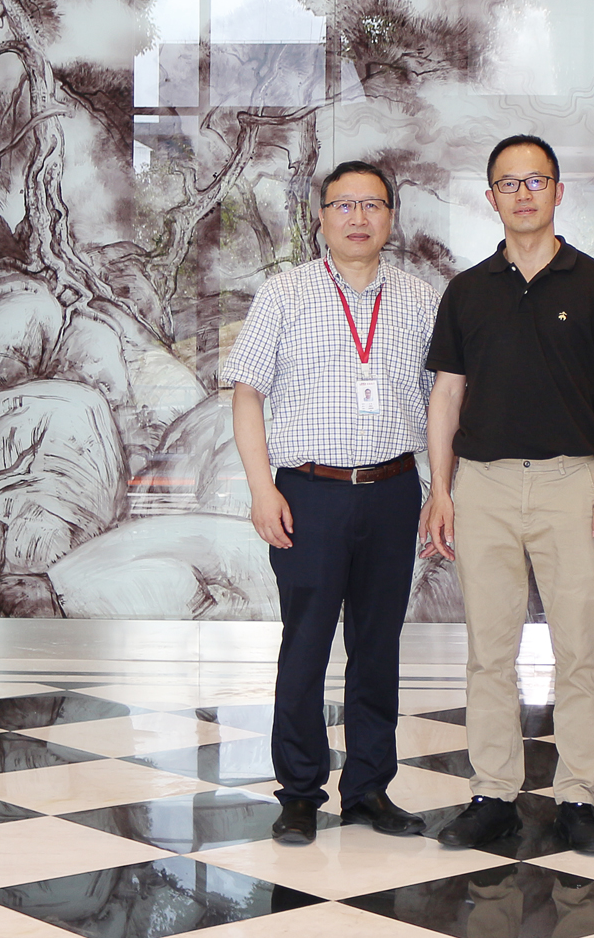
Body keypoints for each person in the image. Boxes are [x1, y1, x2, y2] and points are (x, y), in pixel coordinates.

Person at [419, 135, 594, 854]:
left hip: (572, 483)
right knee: (489, 653)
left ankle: (578, 797)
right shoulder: (467, 290)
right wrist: (441, 489)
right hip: (481, 485)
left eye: (535, 180)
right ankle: (493, 794)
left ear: (558, 191)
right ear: (490, 198)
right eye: (508, 184)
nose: (523, 194)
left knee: (578, 652)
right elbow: (446, 395)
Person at [225, 160, 439, 844]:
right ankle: (298, 790)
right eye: (343, 205)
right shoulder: (284, 294)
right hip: (309, 494)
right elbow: (247, 394)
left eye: (371, 204)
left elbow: (443, 403)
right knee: (306, 644)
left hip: (393, 491)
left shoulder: (420, 300)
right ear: (321, 218)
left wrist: (442, 489)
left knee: (377, 647)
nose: (357, 217)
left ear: (390, 217)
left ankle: (369, 788)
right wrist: (262, 488)